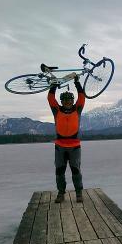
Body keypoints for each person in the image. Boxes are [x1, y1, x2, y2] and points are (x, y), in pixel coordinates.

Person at [47, 74, 85, 203]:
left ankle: (79, 193)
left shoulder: (77, 109)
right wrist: (53, 86)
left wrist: (77, 83)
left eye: (69, 100)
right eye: (65, 100)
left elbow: (82, 97)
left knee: (76, 170)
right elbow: (51, 99)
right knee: (59, 171)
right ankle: (61, 193)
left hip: (74, 146)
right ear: (62, 101)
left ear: (72, 101)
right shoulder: (57, 110)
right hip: (60, 146)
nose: (67, 102)